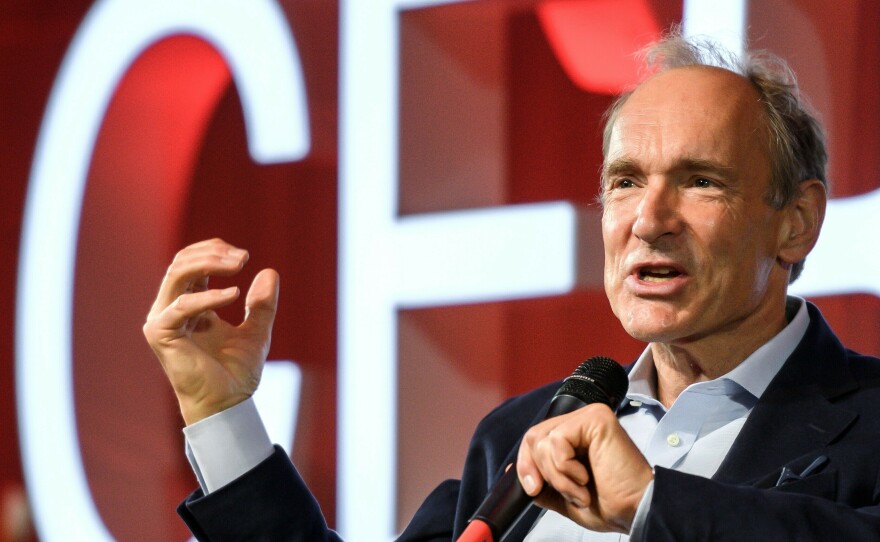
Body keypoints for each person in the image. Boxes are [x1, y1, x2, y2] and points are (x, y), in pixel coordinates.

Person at [144, 30, 880, 541]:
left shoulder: (868, 425)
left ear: (797, 223)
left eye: (700, 182)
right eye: (624, 182)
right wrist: (223, 418)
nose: (648, 220)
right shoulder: (519, 436)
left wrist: (656, 507)